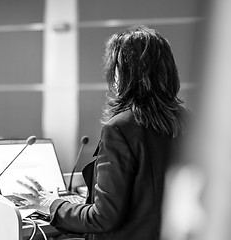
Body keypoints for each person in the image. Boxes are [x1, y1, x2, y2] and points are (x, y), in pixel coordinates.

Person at [18, 25, 188, 240]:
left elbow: (102, 217)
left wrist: (51, 204)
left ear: (123, 73)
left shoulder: (120, 128)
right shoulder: (186, 120)